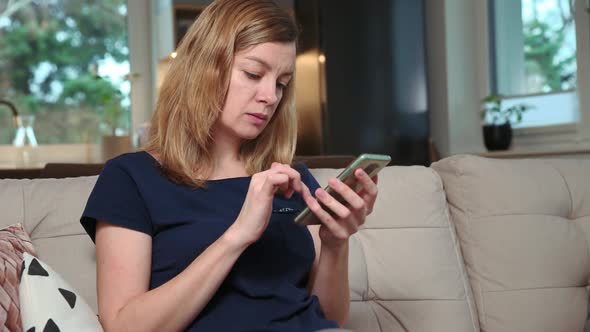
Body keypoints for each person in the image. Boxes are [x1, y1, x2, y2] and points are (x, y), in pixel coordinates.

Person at [80, 0, 379, 331]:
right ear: (204, 68)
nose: (270, 96)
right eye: (253, 74)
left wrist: (336, 244)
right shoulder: (130, 178)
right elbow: (124, 326)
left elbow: (330, 319)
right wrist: (237, 235)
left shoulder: (291, 179)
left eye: (281, 83)